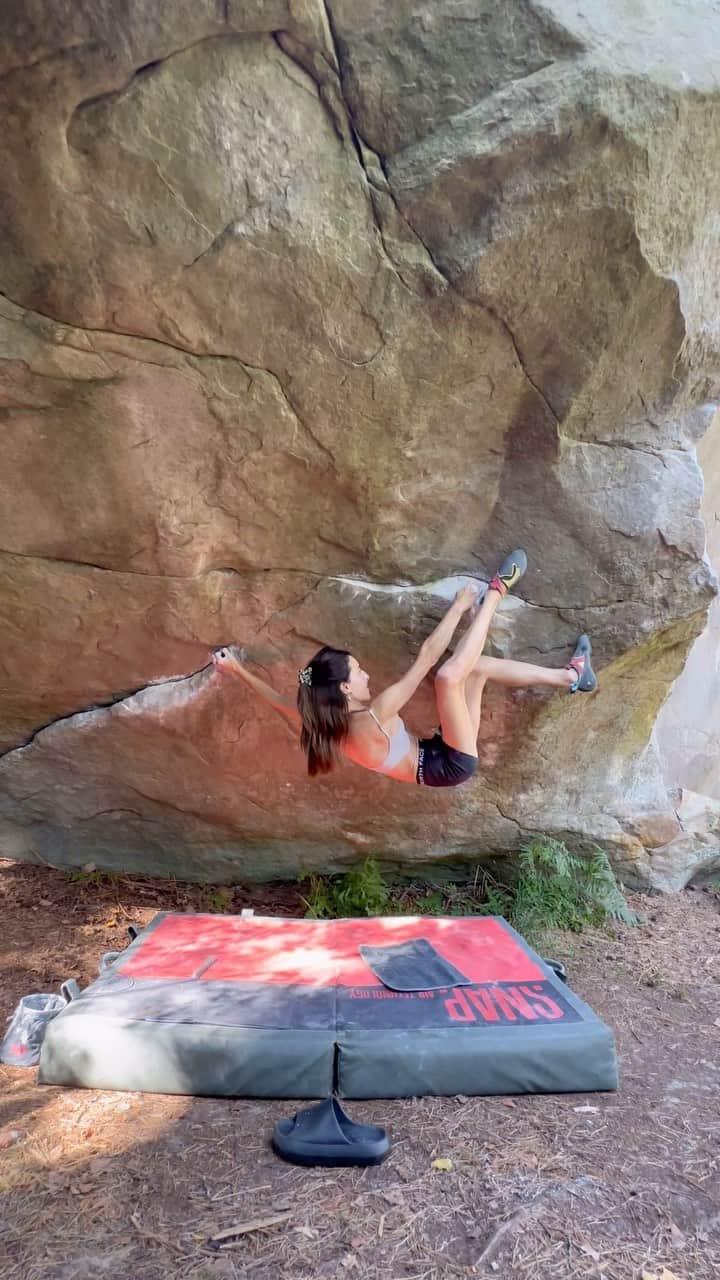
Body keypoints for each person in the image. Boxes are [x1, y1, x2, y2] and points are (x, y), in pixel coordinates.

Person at [211, 550, 597, 787]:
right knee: (447, 676)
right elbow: (428, 657)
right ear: (344, 688)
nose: (366, 675)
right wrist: (460, 606)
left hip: (435, 751)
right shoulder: (375, 715)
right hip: (451, 764)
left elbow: (280, 701)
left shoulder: (324, 719)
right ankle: (497, 592)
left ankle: (570, 677)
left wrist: (237, 670)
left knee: (474, 669)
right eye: (357, 671)